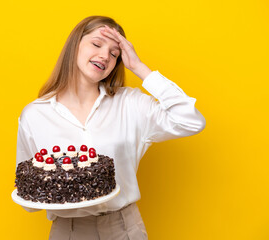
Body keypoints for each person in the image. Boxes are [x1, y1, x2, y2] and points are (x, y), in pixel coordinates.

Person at [16, 15, 206, 240]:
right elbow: (29, 193)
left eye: (114, 54)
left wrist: (139, 67)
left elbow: (191, 121)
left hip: (124, 228)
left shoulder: (131, 104)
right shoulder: (35, 115)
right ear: (74, 45)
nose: (104, 55)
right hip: (68, 231)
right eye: (96, 44)